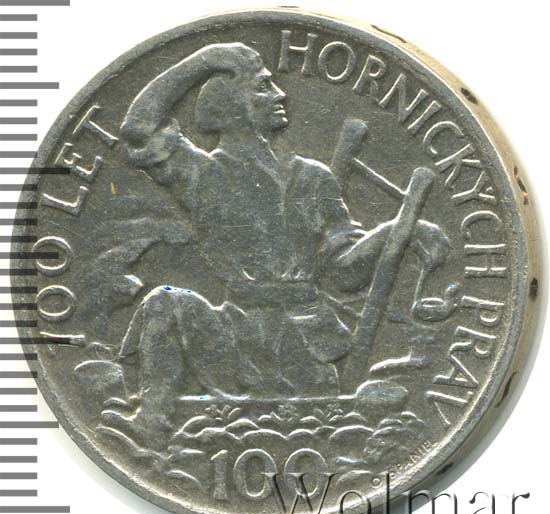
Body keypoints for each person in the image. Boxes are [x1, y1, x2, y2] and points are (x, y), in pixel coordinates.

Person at [110, 43, 448, 446]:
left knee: (301, 430)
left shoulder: (313, 177)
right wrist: (207, 60)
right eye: (264, 87)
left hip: (303, 343)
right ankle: (151, 425)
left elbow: (345, 274)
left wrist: (396, 231)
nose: (281, 95)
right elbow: (139, 129)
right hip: (233, 338)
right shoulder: (203, 174)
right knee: (165, 301)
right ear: (232, 107)